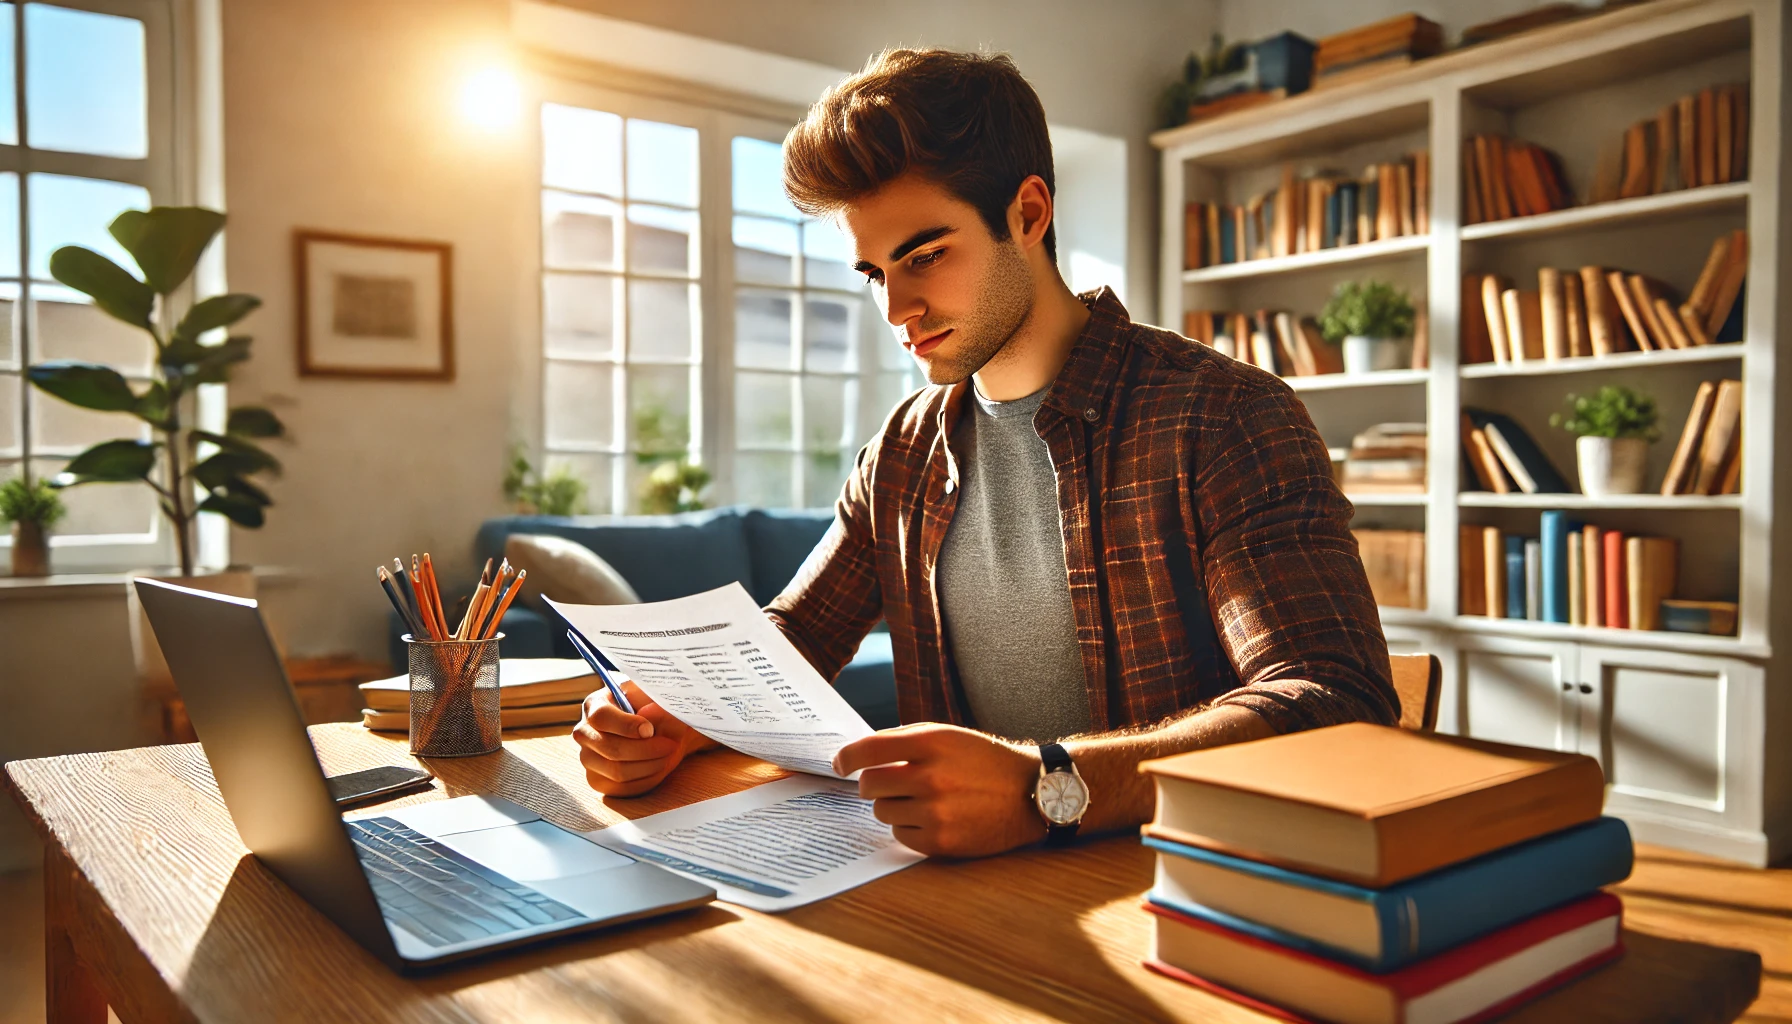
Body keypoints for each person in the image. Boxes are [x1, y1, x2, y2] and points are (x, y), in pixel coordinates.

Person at [574, 48, 1397, 857]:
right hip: (968, 895)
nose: (898, 306)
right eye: (874, 273)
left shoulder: (1223, 417)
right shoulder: (900, 452)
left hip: (1180, 890)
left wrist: (1046, 786)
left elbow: (1335, 698)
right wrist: (677, 718)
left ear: (1029, 214)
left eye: (925, 255)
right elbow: (801, 632)